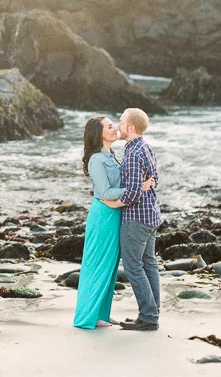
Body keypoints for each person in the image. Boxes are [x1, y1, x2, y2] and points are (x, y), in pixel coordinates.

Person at [73, 116, 155, 329]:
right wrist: (137, 189)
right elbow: (104, 192)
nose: (115, 128)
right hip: (103, 215)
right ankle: (87, 317)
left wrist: (130, 193)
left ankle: (103, 314)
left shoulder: (111, 154)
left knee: (109, 267)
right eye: (109, 127)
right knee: (96, 265)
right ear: (98, 134)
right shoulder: (96, 160)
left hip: (116, 211)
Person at [103, 108, 162, 331]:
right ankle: (152, 313)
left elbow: (133, 194)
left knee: (134, 267)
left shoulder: (132, 155)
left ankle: (148, 317)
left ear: (130, 127)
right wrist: (147, 184)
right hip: (151, 215)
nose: (118, 126)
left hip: (136, 219)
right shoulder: (147, 148)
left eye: (120, 122)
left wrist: (112, 203)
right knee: (149, 264)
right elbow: (154, 177)